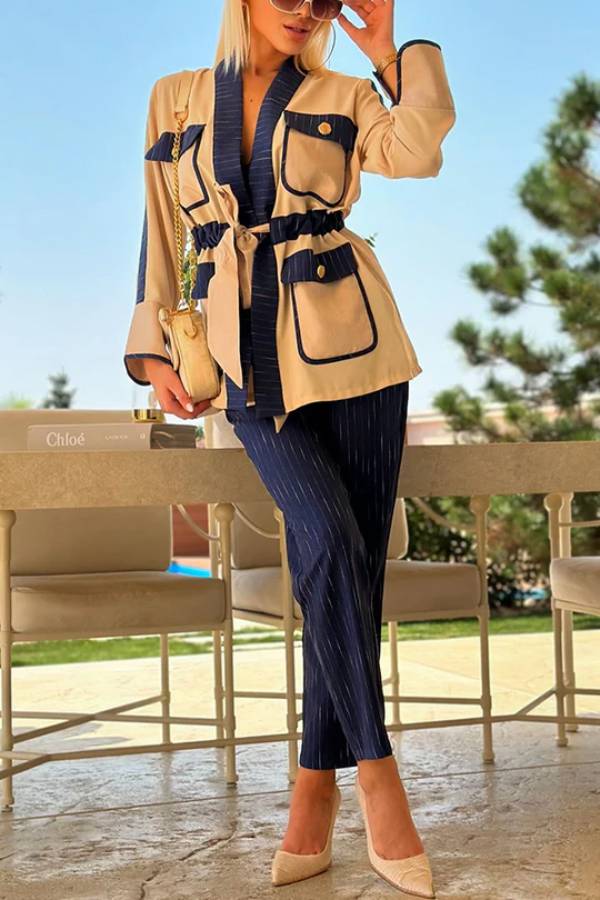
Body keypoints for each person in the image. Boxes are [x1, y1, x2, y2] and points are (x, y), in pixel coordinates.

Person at [124, 1, 456, 895]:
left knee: (347, 573)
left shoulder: (346, 92)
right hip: (245, 357)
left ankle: (313, 788)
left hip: (361, 352)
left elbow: (417, 153)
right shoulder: (176, 97)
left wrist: (391, 52)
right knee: (330, 541)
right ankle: (378, 778)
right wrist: (152, 345)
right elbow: (162, 228)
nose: (304, 6)